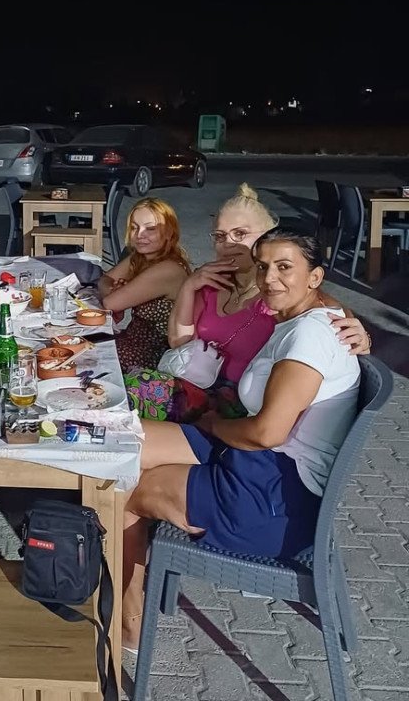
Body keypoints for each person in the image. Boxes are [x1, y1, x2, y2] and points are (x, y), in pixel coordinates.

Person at [121, 228, 361, 650]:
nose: (270, 278)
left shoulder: (310, 335)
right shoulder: (307, 317)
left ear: (315, 277)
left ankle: (128, 625)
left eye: (284, 267)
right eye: (264, 266)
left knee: (128, 491)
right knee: (123, 445)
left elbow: (268, 433)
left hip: (273, 498)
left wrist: (214, 426)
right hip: (252, 458)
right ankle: (105, 569)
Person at [164, 183, 370, 422]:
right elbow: (179, 342)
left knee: (138, 394)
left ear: (267, 238)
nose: (228, 243)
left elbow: (324, 309)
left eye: (240, 234)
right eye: (220, 236)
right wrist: (189, 286)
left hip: (242, 404)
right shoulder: (210, 282)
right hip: (196, 382)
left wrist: (362, 336)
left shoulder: (276, 293)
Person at [97, 198, 190, 374]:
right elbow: (104, 279)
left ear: (169, 232)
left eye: (150, 228)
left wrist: (115, 295)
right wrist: (113, 290)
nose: (140, 234)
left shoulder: (168, 269)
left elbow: (110, 303)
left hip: (152, 356)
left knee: (81, 355)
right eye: (134, 228)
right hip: (131, 341)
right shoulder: (140, 258)